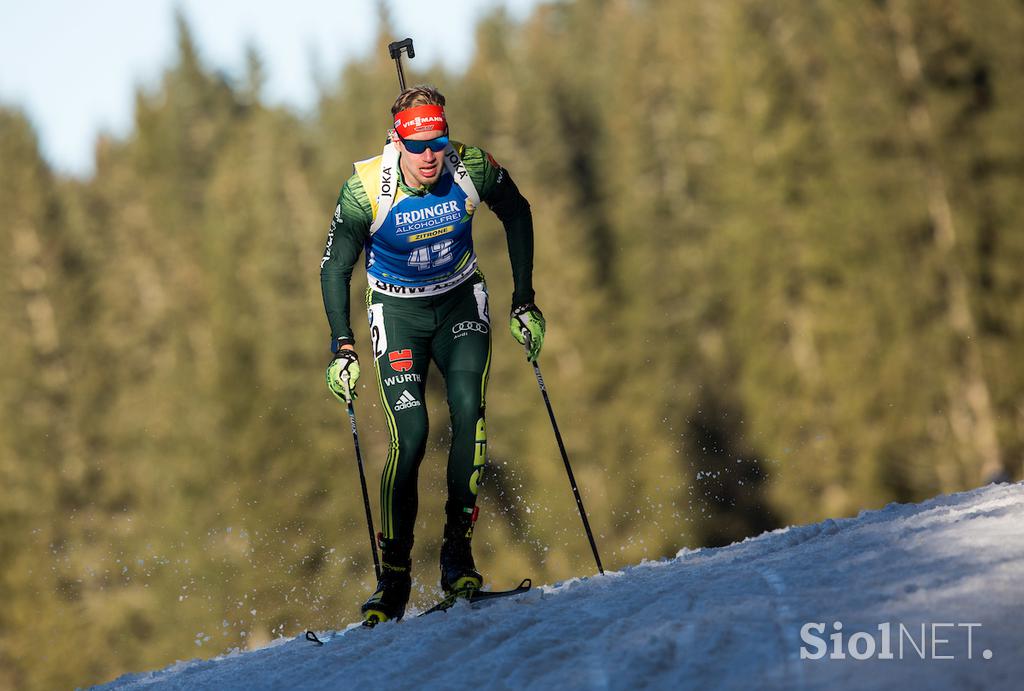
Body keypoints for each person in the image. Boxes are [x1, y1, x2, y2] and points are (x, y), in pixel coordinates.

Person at [320, 85, 545, 624]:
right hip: (397, 315)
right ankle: (393, 581)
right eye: (416, 144)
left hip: (460, 299)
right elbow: (335, 267)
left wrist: (524, 300)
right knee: (413, 434)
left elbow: (517, 213)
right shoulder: (365, 189)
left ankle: (457, 560)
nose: (428, 156)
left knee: (470, 412)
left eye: (436, 142)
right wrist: (342, 345)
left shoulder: (471, 165)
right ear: (397, 140)